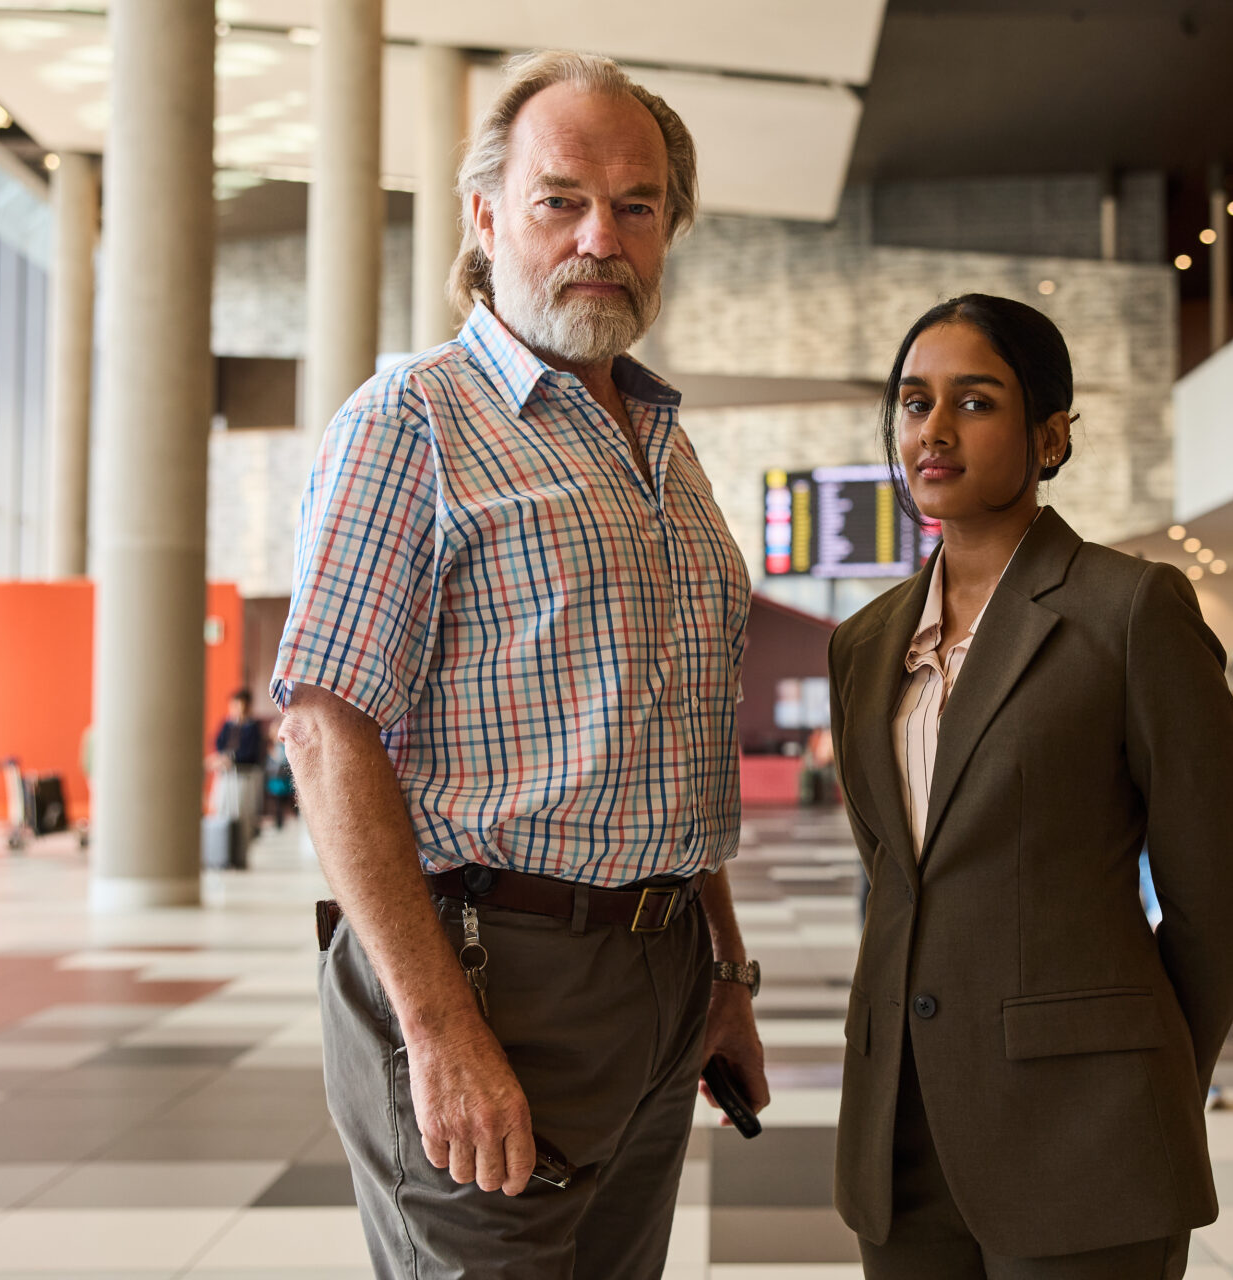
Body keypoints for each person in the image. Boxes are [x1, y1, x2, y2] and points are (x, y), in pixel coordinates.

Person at [272, 51, 766, 1279]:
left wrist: (722, 971)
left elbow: (669, 733)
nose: (602, 236)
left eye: (638, 206)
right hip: (483, 971)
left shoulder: (662, 440)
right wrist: (437, 1029)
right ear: (486, 219)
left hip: (661, 974)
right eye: (562, 200)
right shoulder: (412, 422)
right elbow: (326, 731)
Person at [827, 294, 1233, 1279]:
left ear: (1051, 434)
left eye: (973, 402)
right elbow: (902, 878)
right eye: (912, 401)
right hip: (900, 1120)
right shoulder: (864, 642)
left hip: (1085, 1127)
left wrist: (1142, 1073)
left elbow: (1217, 896)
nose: (931, 430)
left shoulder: (1129, 609)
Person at [211, 689, 266, 850]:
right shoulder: (227, 724)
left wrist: (232, 759)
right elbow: (219, 744)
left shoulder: (253, 728)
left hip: (244, 776)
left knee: (241, 813)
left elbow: (252, 753)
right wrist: (221, 759)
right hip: (226, 775)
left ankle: (241, 849)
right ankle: (222, 848)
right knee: (222, 810)